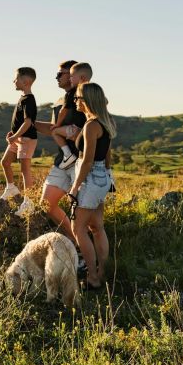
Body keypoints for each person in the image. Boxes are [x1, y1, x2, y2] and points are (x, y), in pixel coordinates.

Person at [67, 82, 117, 289]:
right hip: (102, 177)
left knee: (78, 229)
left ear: (87, 100)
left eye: (78, 97)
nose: (75, 101)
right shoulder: (105, 122)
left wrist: (74, 188)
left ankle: (93, 278)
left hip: (89, 177)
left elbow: (87, 160)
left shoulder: (91, 126)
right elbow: (107, 156)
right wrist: (107, 177)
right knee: (97, 227)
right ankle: (102, 273)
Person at [35, 60, 83, 239]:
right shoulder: (59, 101)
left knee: (81, 213)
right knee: (46, 204)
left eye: (60, 74)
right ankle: (75, 243)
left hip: (82, 161)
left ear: (72, 75)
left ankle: (87, 254)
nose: (56, 77)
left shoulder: (85, 96)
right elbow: (55, 129)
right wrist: (29, 124)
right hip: (63, 160)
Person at [0, 67, 37, 217]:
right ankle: (11, 188)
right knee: (5, 162)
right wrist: (14, 135)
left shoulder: (29, 100)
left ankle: (29, 202)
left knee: (25, 170)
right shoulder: (22, 98)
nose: (13, 81)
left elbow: (28, 122)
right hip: (18, 138)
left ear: (25, 81)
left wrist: (15, 137)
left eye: (16, 78)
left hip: (26, 139)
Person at [50, 62, 93, 169]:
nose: (70, 79)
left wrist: (57, 125)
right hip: (85, 132)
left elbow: (63, 111)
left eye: (72, 76)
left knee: (55, 131)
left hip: (74, 130)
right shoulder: (91, 92)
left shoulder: (70, 93)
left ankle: (68, 155)